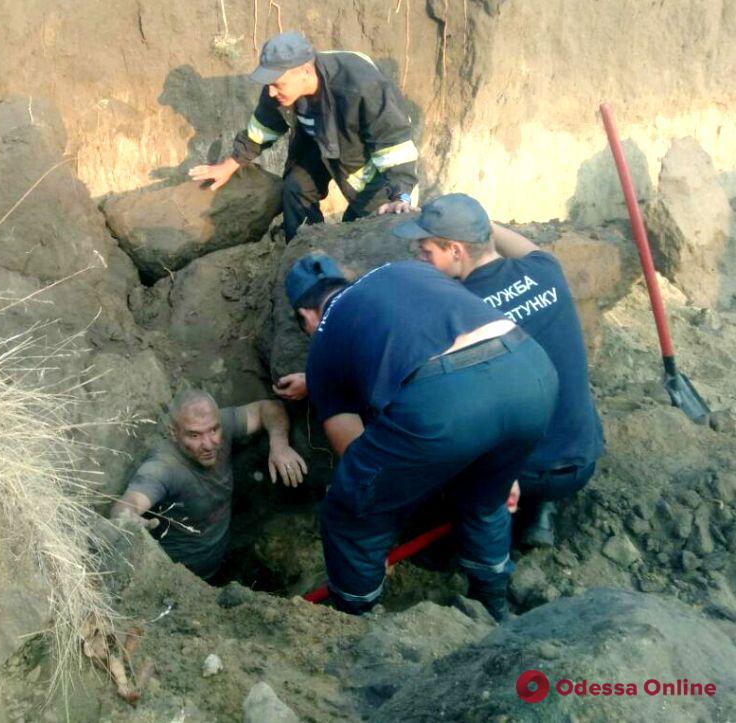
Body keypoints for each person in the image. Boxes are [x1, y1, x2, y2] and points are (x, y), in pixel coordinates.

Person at [286, 251, 558, 620]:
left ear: (306, 316)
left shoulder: (323, 344)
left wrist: (378, 535)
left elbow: (354, 455)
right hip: (531, 372)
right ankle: (493, 604)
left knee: (349, 513)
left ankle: (352, 618)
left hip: (445, 404)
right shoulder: (405, 269)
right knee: (484, 498)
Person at [395, 193, 604, 547]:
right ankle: (541, 510)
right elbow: (518, 245)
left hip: (519, 476)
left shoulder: (459, 312)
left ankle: (465, 540)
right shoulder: (545, 270)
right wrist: (477, 222)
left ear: (457, 250)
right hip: (582, 457)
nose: (418, 257)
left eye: (426, 251)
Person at [188, 31, 418, 241]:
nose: (270, 92)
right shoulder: (278, 86)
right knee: (295, 187)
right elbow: (263, 127)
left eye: (278, 85)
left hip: (368, 158)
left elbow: (393, 143)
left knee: (367, 230)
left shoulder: (361, 86)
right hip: (318, 144)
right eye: (269, 84)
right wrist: (231, 164)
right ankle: (302, 250)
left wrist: (401, 195)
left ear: (306, 71)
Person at [111, 389, 307, 581]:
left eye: (213, 430)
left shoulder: (220, 425)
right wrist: (127, 518)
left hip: (219, 560)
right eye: (194, 435)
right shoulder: (164, 467)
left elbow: (269, 407)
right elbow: (131, 502)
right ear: (173, 433)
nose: (208, 444)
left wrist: (279, 444)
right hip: (183, 581)